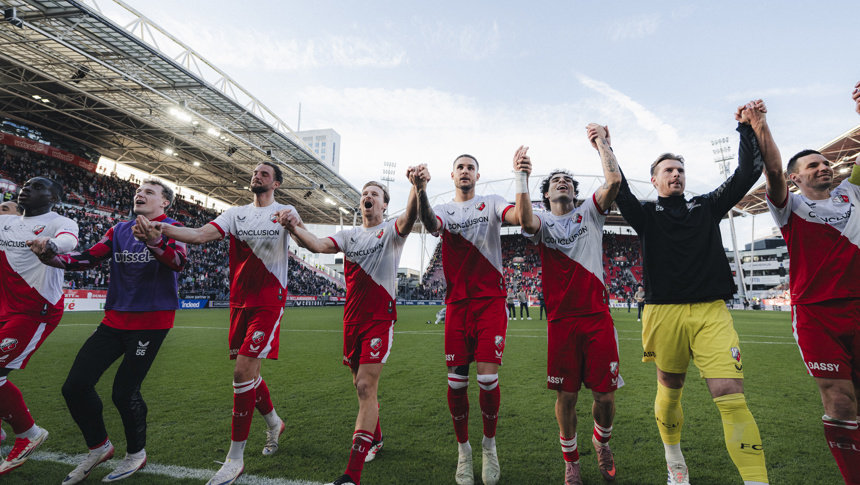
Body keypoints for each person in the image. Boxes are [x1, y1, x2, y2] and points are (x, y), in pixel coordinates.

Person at [614, 105, 769, 485]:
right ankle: (674, 461)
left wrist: (745, 129)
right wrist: (605, 146)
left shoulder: (706, 206)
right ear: (654, 179)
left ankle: (757, 480)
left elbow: (748, 172)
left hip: (711, 312)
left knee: (731, 394)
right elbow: (618, 187)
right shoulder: (646, 214)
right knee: (670, 388)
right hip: (663, 313)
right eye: (668, 170)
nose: (677, 174)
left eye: (680, 170)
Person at [134, 163, 293, 485]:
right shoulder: (235, 213)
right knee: (252, 374)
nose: (257, 175)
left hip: (268, 300)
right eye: (255, 171)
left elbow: (302, 235)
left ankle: (234, 459)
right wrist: (160, 229)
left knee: (241, 372)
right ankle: (275, 423)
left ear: (276, 182)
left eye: (265, 173)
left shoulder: (285, 211)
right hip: (239, 302)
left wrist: (297, 227)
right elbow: (198, 235)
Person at [31, 179, 186, 483]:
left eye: (149, 192)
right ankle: (100, 447)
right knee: (74, 387)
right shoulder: (119, 230)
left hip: (151, 323)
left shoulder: (171, 227)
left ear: (165, 203)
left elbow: (178, 261)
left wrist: (154, 241)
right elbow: (88, 258)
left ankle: (136, 454)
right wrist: (51, 256)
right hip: (114, 320)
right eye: (138, 191)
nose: (140, 194)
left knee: (124, 393)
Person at [277, 178, 418, 485]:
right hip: (351, 322)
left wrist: (416, 187)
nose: (368, 197)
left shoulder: (392, 231)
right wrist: (293, 226)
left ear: (383, 205)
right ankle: (376, 440)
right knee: (359, 385)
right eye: (364, 194)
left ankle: (351, 477)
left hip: (379, 319)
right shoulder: (349, 235)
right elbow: (315, 244)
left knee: (366, 387)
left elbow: (410, 216)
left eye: (374, 195)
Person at [758, 86, 860, 484]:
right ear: (795, 177)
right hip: (817, 313)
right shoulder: (789, 205)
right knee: (838, 399)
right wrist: (761, 126)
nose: (823, 168)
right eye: (812, 165)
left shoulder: (854, 192)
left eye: (825, 163)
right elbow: (771, 169)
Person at [516, 124, 623, 484]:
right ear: (545, 195)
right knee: (567, 395)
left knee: (605, 397)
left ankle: (601, 442)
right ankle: (572, 460)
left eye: (568, 180)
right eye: (555, 180)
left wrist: (602, 144)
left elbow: (614, 183)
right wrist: (522, 177)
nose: (562, 182)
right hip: (562, 322)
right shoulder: (542, 222)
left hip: (596, 317)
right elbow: (525, 218)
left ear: (576, 192)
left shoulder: (590, 213)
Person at [411, 151, 522, 485]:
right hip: (458, 305)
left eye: (470, 168)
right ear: (452, 174)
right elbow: (431, 223)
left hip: (490, 302)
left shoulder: (491, 203)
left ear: (477, 175)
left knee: (487, 380)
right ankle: (464, 451)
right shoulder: (443, 209)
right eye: (460, 167)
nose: (465, 171)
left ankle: (489, 446)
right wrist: (420, 190)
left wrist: (521, 178)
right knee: (456, 383)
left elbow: (517, 216)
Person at [0, 177, 79, 475]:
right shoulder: (5, 224)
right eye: (25, 185)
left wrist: (53, 244)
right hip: (6, 309)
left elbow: (69, 239)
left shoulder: (59, 221)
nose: (26, 188)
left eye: (37, 186)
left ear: (53, 197)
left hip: (35, 311)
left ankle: (30, 434)